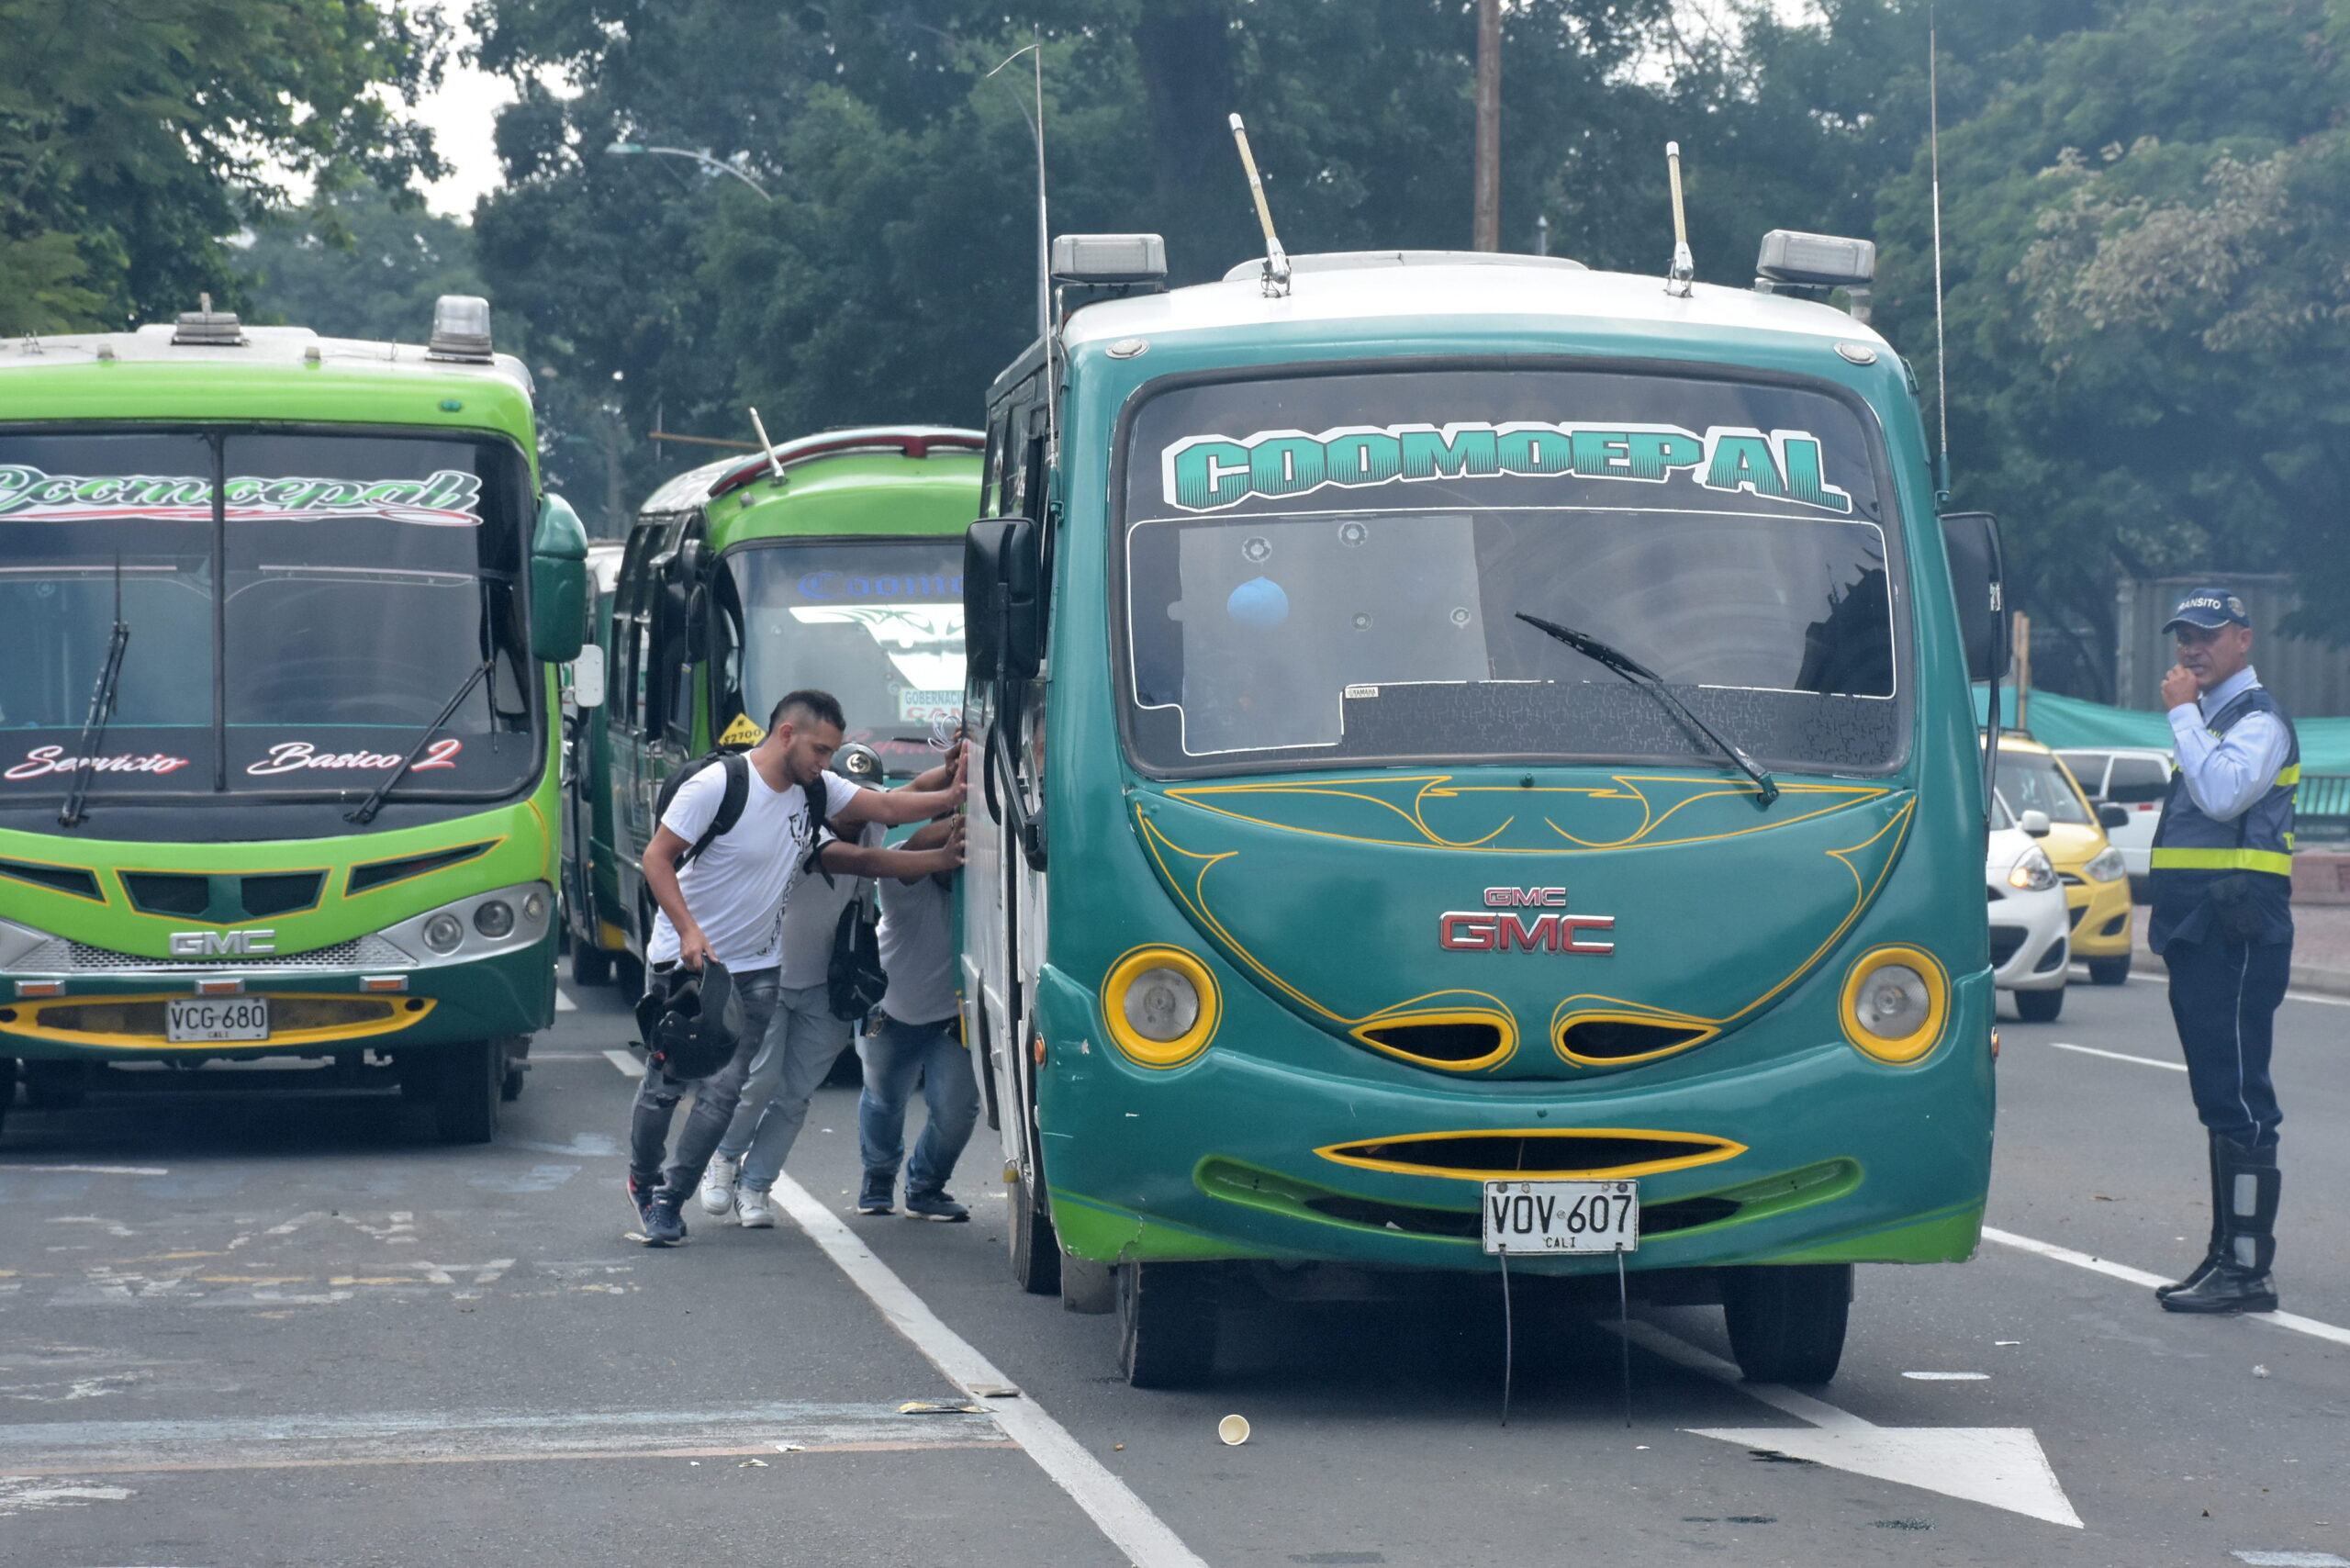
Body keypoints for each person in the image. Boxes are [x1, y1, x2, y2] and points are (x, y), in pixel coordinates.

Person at [627, 690, 963, 1247]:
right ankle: (643, 1177)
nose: (824, 763)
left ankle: (671, 1199)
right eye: (820, 750)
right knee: (667, 1087)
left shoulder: (815, 790)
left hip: (759, 968)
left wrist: (957, 788)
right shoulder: (717, 786)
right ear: (787, 734)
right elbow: (656, 858)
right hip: (687, 964)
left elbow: (886, 808)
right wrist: (689, 930)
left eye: (831, 754)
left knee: (724, 1092)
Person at [699, 741, 963, 1228]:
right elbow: (870, 865)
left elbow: (908, 793)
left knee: (796, 1095)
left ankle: (756, 1187)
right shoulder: (799, 831)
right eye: (852, 798)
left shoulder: (870, 822)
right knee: (759, 1082)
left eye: (868, 798)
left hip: (828, 988)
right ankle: (724, 1160)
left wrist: (951, 772)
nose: (860, 811)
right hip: (769, 978)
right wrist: (946, 848)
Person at [2146, 588, 2299, 1314]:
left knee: (2239, 1098)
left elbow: (2224, 795)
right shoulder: (2212, 719)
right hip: (2201, 930)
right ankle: (2224, 1256)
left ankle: (2247, 1271)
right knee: (2220, 1097)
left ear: (2244, 637)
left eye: (2206, 634)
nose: (2191, 648)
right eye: (2183, 636)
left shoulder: (2257, 719)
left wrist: (2181, 714)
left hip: (2236, 932)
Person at [855, 814, 980, 1220]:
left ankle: (926, 1187)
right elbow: (911, 849)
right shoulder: (902, 882)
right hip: (892, 1013)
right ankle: (877, 1179)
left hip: (953, 1020)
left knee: (956, 1111)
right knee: (883, 1100)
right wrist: (967, 817)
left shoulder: (980, 891)